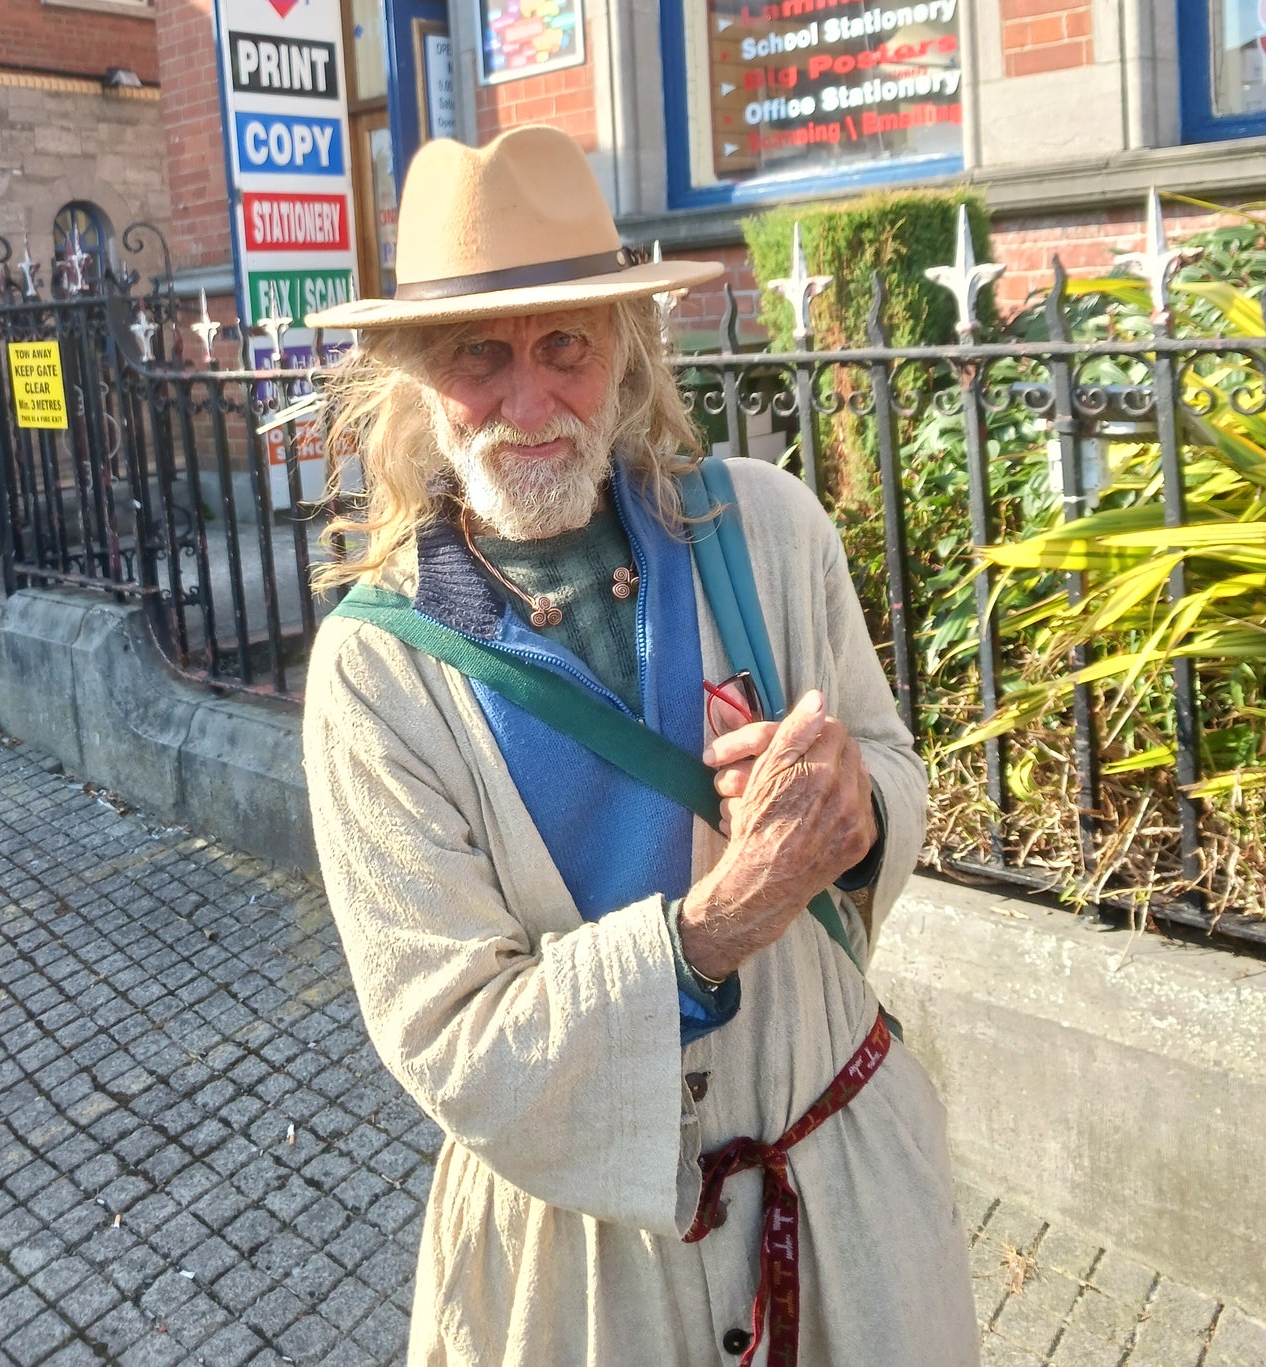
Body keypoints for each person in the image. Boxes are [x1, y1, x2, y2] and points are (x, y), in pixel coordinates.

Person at [301, 124, 977, 1366]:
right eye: (475, 356)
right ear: (411, 376)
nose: (529, 401)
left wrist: (855, 803)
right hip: (582, 1270)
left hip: (844, 1188)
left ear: (623, 348)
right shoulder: (375, 671)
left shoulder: (762, 528)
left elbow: (888, 763)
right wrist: (713, 926)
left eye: (564, 342)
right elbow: (446, 1035)